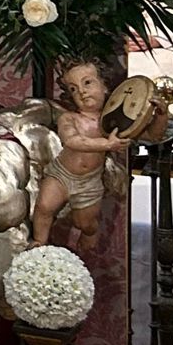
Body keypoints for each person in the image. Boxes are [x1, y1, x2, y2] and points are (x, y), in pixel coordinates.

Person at [32, 58, 129, 245]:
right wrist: (107, 145)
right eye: (73, 89)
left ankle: (90, 232)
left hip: (90, 181)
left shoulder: (111, 122)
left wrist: (160, 112)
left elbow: (150, 134)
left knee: (83, 223)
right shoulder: (69, 118)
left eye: (87, 83)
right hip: (61, 174)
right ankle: (39, 242)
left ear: (105, 86)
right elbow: (72, 141)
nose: (82, 91)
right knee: (44, 206)